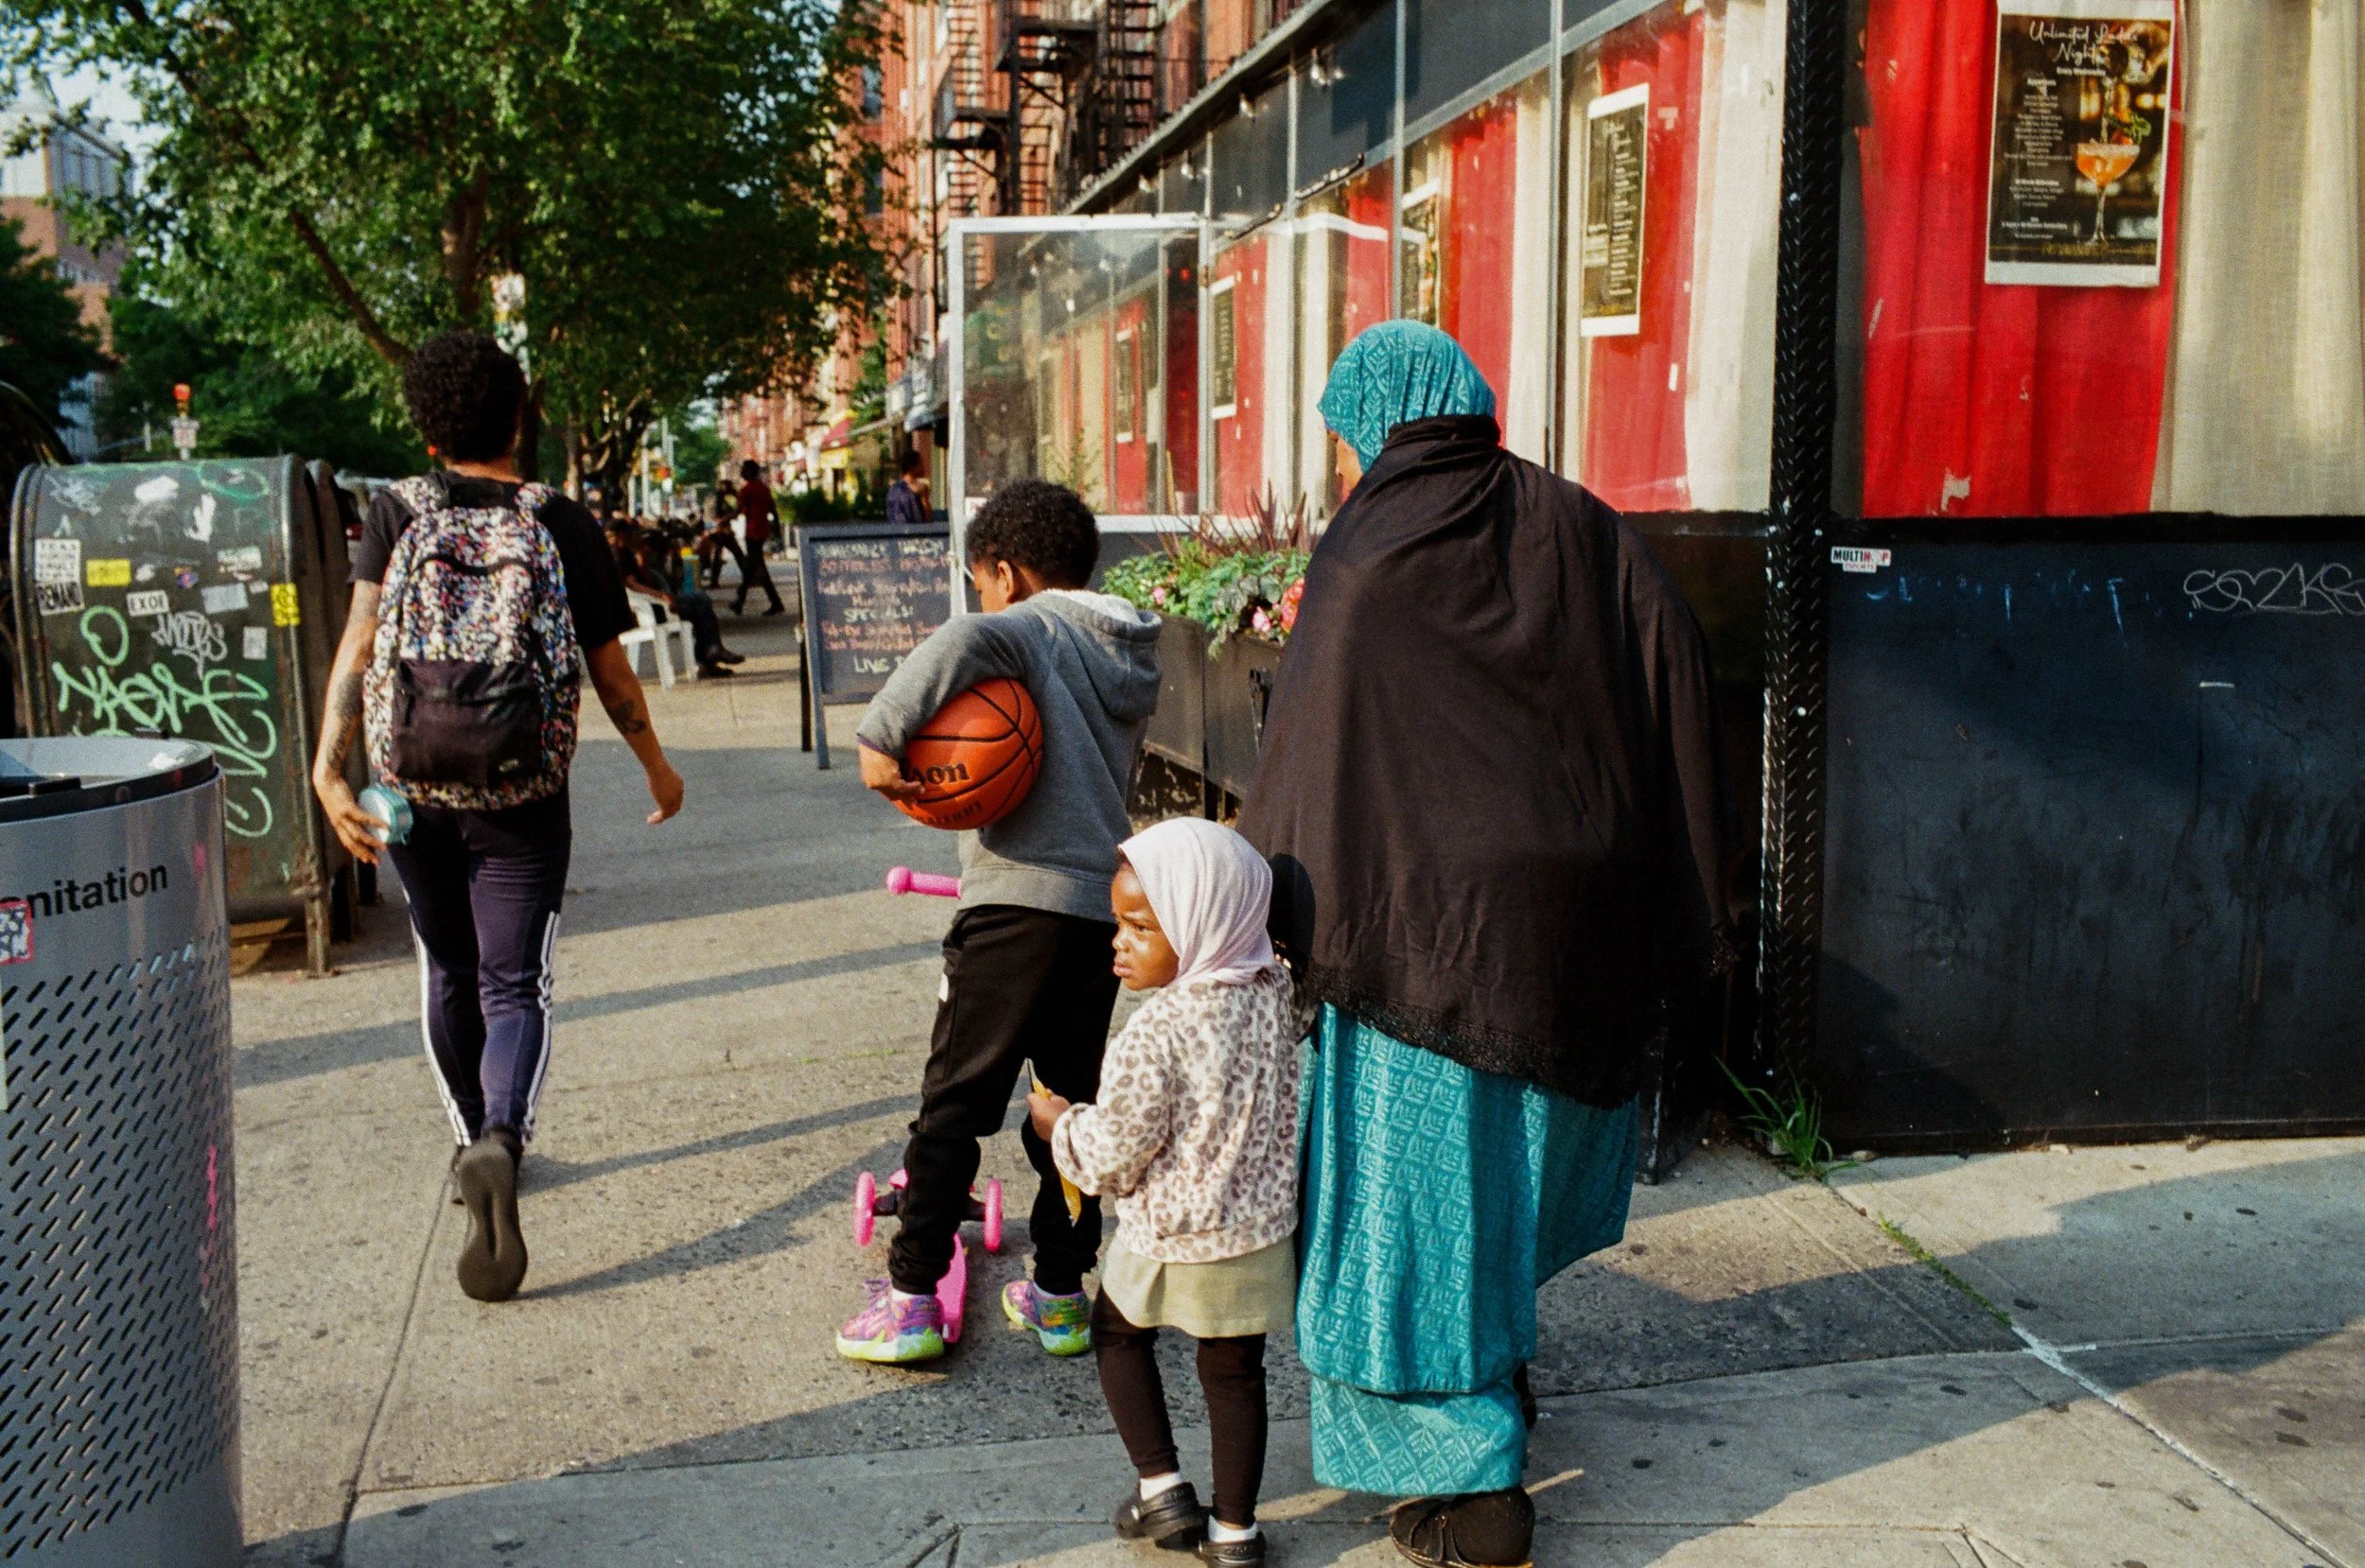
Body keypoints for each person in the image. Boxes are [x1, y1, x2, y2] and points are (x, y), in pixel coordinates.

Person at [1236, 322, 1735, 1568]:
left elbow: (1316, 740)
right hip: (1563, 937)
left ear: (1374, 418)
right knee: (1503, 1182)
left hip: (1422, 941)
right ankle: (1502, 1375)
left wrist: (1269, 906)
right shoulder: (1577, 520)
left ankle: (1470, 1487)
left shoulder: (1374, 544)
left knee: (1407, 1215)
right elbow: (1671, 664)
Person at [309, 329, 689, 1304]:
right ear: (518, 416)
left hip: (415, 789)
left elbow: (358, 647)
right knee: (516, 981)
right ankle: (504, 1137)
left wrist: (326, 768)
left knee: (448, 966)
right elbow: (611, 674)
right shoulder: (558, 517)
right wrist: (656, 766)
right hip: (524, 790)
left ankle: (468, 1131)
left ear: (427, 423)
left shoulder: (397, 509)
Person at [837, 478, 1161, 1365]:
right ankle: (1060, 1292)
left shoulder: (1027, 625)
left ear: (1009, 574)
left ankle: (909, 1295)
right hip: (1099, 914)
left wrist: (881, 742)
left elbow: (969, 637)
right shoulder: (1128, 649)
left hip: (1013, 905)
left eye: (980, 578)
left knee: (954, 1108)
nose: (982, 596)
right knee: (1065, 1107)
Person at [1029, 817, 1299, 1568]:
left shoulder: (1156, 1033)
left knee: (1117, 1336)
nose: (1118, 940)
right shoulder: (1276, 996)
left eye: (1141, 925)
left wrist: (1061, 1127)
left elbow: (1113, 1159)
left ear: (1200, 921)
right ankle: (1237, 1534)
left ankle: (1161, 1487)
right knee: (1235, 1373)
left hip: (1168, 1236)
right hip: (1255, 1234)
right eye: (1119, 922)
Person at [607, 518, 744, 677]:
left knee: (700, 599)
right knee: (700, 606)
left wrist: (642, 561)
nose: (636, 537)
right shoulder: (618, 553)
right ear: (622, 535)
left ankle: (712, 652)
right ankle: (710, 655)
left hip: (651, 603)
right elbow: (632, 585)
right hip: (652, 608)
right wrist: (663, 596)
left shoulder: (623, 552)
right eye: (632, 533)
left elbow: (644, 581)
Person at [730, 459, 786, 616]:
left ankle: (771, 602)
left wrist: (724, 520)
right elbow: (773, 510)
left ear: (750, 471)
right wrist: (776, 531)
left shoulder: (747, 490)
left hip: (752, 532)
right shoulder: (764, 489)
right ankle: (741, 601)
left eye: (744, 469)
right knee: (752, 566)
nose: (741, 472)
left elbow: (738, 510)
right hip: (762, 531)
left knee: (755, 566)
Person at [886, 448, 931, 530]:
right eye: (920, 463)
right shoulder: (920, 488)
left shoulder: (893, 489)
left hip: (895, 534)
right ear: (911, 467)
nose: (923, 467)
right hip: (916, 534)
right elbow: (927, 518)